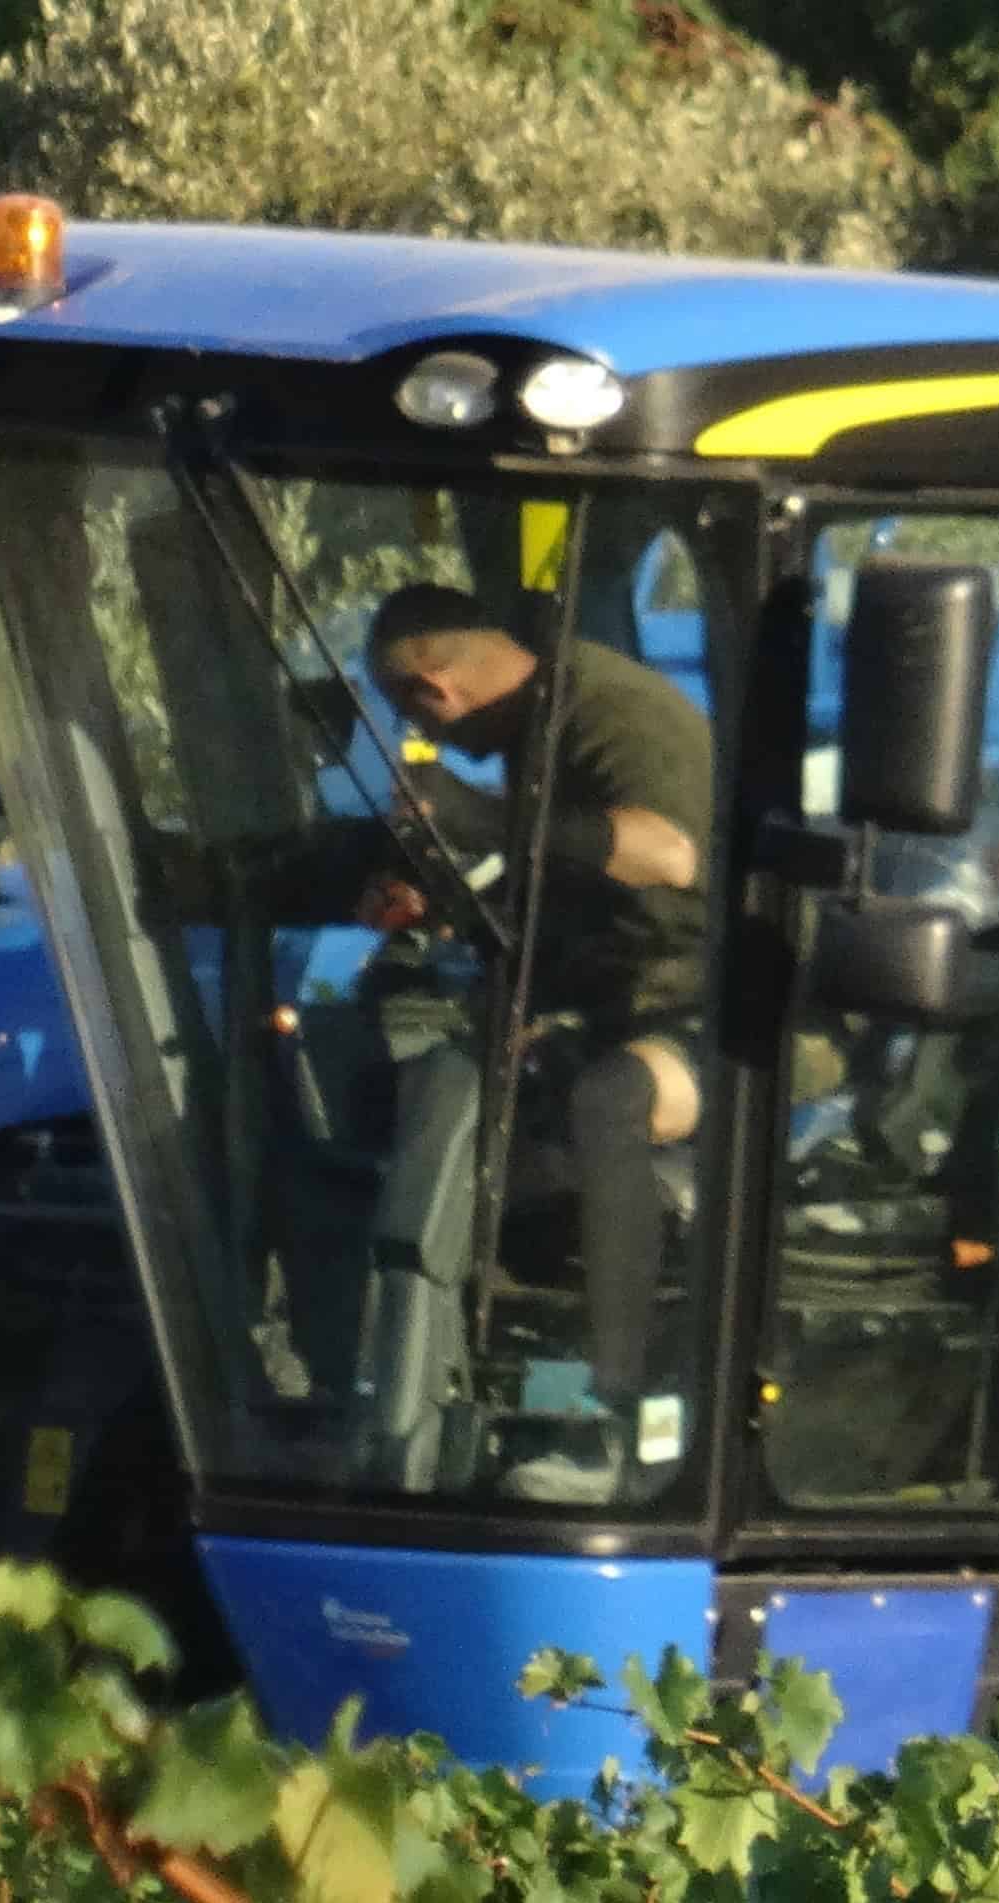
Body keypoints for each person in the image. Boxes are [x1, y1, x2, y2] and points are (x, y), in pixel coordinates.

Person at [351, 584, 716, 1504]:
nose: (427, 738)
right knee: (429, 1085)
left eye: (413, 717)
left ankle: (618, 1420)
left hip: (718, 1004)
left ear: (437, 690)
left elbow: (668, 855)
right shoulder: (534, 729)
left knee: (609, 1100)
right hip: (612, 1000)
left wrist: (481, 819)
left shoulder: (611, 709)